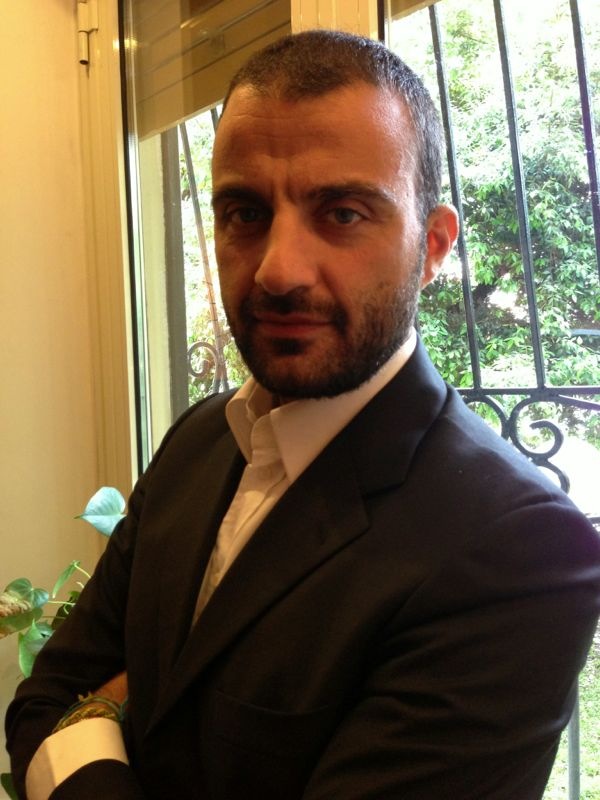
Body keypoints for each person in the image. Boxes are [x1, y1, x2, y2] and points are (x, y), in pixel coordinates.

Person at [6, 29, 600, 800]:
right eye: (245, 212)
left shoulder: (520, 548)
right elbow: (44, 701)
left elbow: (69, 720)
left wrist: (97, 725)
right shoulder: (198, 442)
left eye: (343, 213)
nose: (278, 270)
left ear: (432, 246)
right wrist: (94, 709)